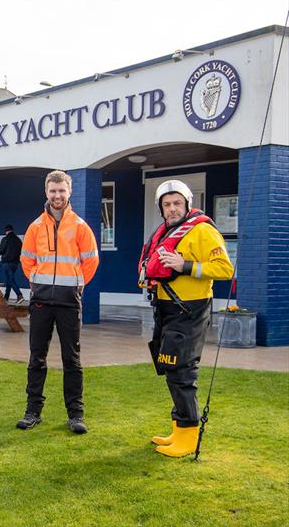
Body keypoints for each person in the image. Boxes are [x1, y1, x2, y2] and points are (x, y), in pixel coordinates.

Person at [140, 179, 233, 457]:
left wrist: (186, 266)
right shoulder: (164, 232)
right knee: (170, 368)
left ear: (187, 203)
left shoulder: (202, 230)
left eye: (177, 203)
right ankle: (178, 429)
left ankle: (189, 435)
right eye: (166, 204)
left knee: (182, 372)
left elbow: (225, 269)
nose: (172, 209)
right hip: (166, 309)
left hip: (190, 310)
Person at [16, 170, 99, 434]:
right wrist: (38, 282)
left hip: (68, 302)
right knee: (36, 358)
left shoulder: (80, 226)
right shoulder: (35, 227)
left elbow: (91, 261)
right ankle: (32, 411)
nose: (57, 195)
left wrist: (75, 284)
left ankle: (75, 415)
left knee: (71, 359)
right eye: (53, 191)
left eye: (61, 191)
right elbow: (26, 260)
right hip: (41, 301)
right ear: (46, 192)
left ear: (69, 192)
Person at [0, 224, 24, 302]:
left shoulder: (5, 239)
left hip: (7, 263)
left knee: (11, 280)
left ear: (6, 231)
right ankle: (6, 297)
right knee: (9, 279)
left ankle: (19, 295)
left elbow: (0, 251)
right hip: (15, 263)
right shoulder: (18, 240)